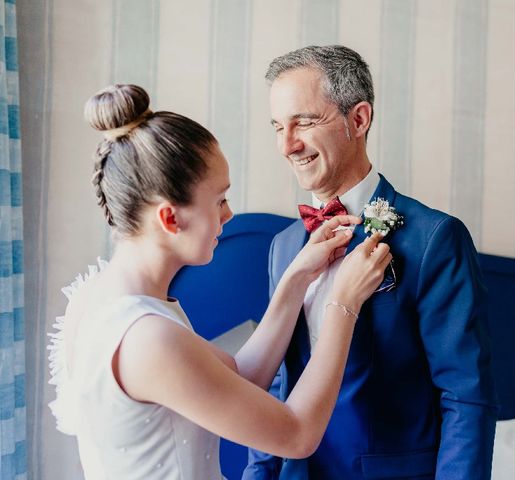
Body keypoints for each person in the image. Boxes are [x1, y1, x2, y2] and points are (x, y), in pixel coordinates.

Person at [47, 84, 392, 480]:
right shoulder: (147, 338)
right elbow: (296, 435)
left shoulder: (99, 298)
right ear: (170, 218)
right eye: (219, 200)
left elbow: (237, 377)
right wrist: (342, 302)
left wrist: (296, 277)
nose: (229, 215)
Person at [243, 45, 498, 480]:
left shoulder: (433, 238)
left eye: (304, 121)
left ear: (358, 120)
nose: (287, 145)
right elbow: (279, 384)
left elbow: (465, 395)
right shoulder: (284, 247)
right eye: (278, 127)